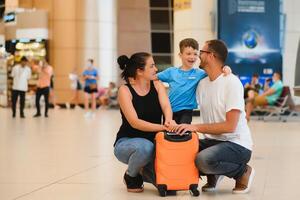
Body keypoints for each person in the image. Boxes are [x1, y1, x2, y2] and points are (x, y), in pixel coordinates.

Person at [173, 40, 254, 194]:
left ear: (211, 56)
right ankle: (214, 173)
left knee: (203, 160)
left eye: (201, 52)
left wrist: (195, 127)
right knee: (181, 151)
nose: (198, 56)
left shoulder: (231, 82)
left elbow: (230, 127)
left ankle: (242, 172)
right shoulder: (202, 83)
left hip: (237, 144)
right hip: (213, 141)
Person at [113, 52, 174, 193]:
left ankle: (143, 168)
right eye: (151, 66)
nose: (156, 69)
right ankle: (131, 175)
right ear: (140, 71)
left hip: (155, 143)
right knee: (145, 148)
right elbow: (135, 122)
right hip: (127, 143)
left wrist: (169, 121)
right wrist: (163, 128)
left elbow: (166, 106)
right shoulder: (125, 90)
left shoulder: (157, 85)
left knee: (169, 188)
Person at [157, 38, 231, 124]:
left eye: (195, 54)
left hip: (186, 111)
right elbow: (154, 78)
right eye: (188, 54)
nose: (192, 57)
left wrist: (225, 68)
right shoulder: (171, 72)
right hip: (169, 110)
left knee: (183, 132)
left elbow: (215, 70)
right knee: (168, 133)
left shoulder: (199, 73)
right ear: (180, 55)